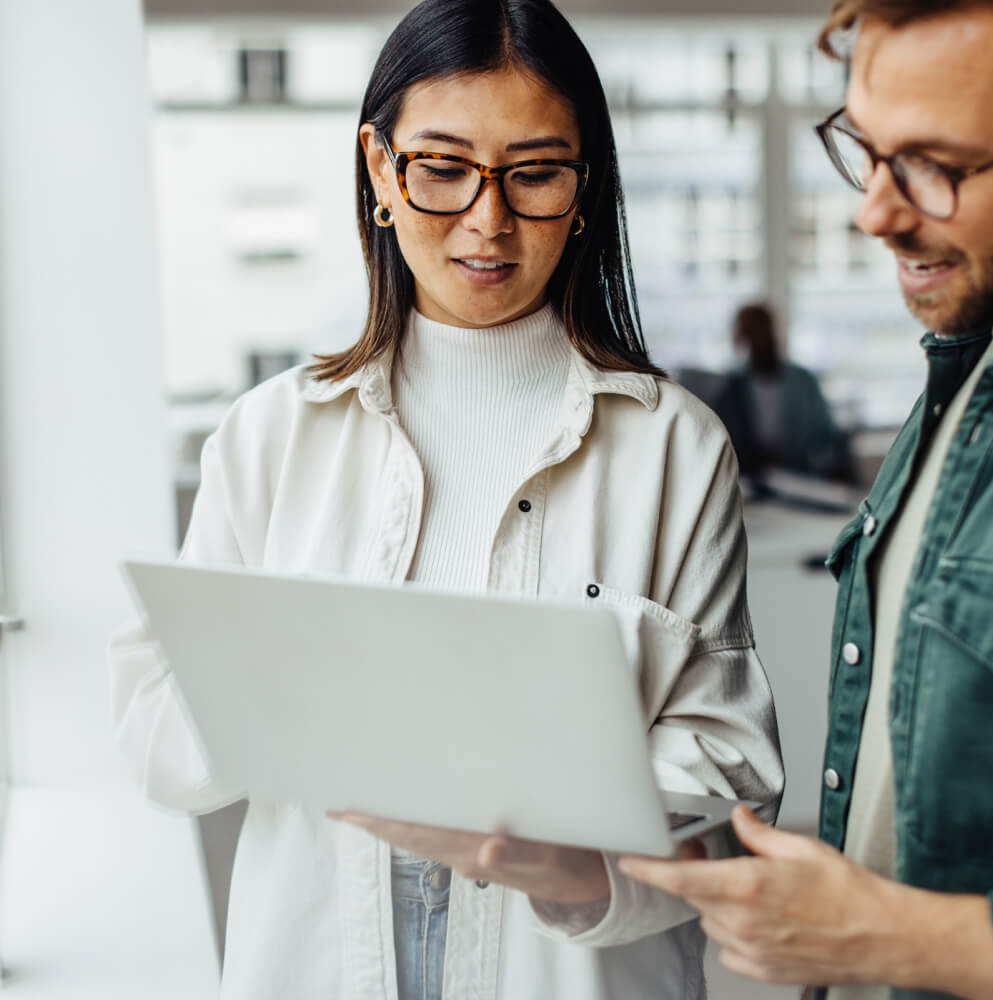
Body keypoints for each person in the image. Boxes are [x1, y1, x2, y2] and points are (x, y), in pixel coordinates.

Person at [108, 1, 784, 997]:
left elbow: (724, 782)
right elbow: (158, 748)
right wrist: (300, 669)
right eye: (442, 166)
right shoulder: (268, 437)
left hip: (570, 965)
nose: (486, 218)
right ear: (379, 170)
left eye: (535, 172)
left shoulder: (673, 448)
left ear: (585, 185)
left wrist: (567, 863)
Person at [620, 2, 993, 998]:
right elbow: (906, 815)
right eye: (866, 147)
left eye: (936, 165)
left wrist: (884, 940)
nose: (874, 211)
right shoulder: (976, 361)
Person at [716, 302, 853, 487]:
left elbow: (827, 435)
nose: (758, 341)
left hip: (801, 478)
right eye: (751, 334)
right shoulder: (733, 384)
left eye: (762, 332)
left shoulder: (803, 381)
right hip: (751, 482)